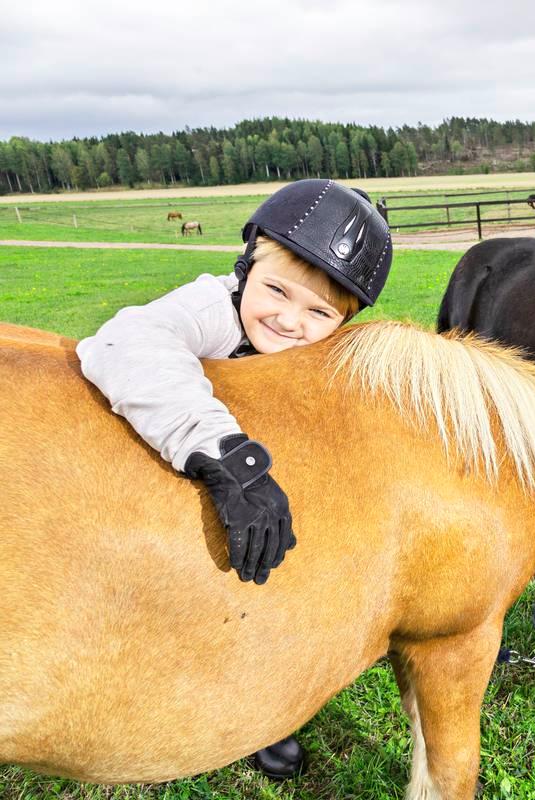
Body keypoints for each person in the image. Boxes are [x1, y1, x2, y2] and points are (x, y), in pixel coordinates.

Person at [77, 179, 393, 778]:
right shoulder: (212, 308)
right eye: (276, 289)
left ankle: (267, 707)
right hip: (194, 465)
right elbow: (124, 340)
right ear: (246, 266)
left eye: (319, 311)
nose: (289, 319)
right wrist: (226, 459)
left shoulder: (327, 350)